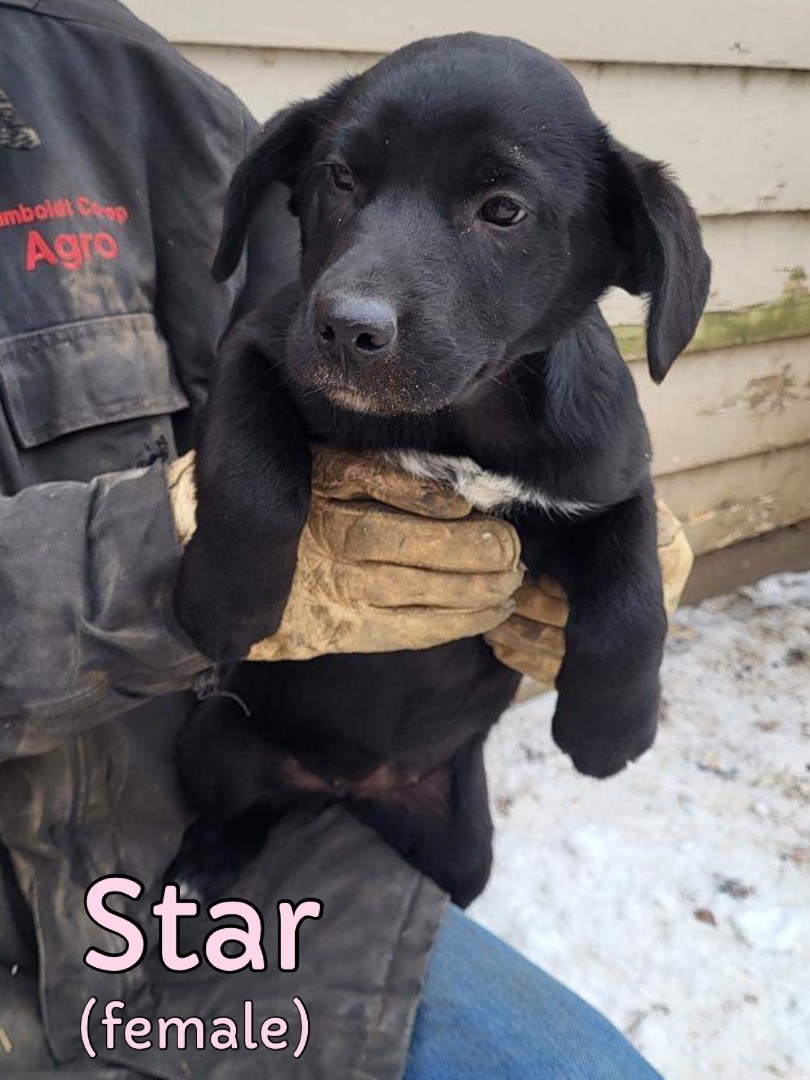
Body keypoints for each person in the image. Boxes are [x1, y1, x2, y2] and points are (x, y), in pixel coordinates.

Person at [0, 2, 691, 1076]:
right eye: (348, 184)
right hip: (204, 773)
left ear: (619, 250)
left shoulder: (101, 74)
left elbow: (617, 506)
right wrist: (196, 543)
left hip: (405, 776)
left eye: (499, 207)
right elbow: (260, 357)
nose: (357, 297)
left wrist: (620, 636)